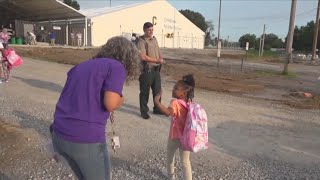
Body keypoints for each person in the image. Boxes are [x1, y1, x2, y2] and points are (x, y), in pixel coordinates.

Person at [51, 36, 140, 180]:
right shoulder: (116, 67)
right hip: (85, 140)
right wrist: (121, 99)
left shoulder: (80, 66)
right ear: (128, 57)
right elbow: (110, 103)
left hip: (59, 134)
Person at [154, 74, 195, 180]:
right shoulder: (189, 102)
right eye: (174, 87)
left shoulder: (175, 102)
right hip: (186, 137)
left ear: (184, 93)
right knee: (185, 162)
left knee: (170, 155)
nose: (173, 90)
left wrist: (157, 102)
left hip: (175, 136)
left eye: (176, 88)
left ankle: (170, 175)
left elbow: (168, 113)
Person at [136, 22, 165, 119]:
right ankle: (144, 111)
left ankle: (157, 109)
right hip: (146, 70)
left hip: (156, 70)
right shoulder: (141, 41)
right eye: (149, 30)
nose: (151, 32)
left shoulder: (154, 39)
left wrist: (161, 58)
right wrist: (157, 60)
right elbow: (143, 57)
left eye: (152, 30)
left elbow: (158, 50)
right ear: (144, 30)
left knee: (157, 91)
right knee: (145, 91)